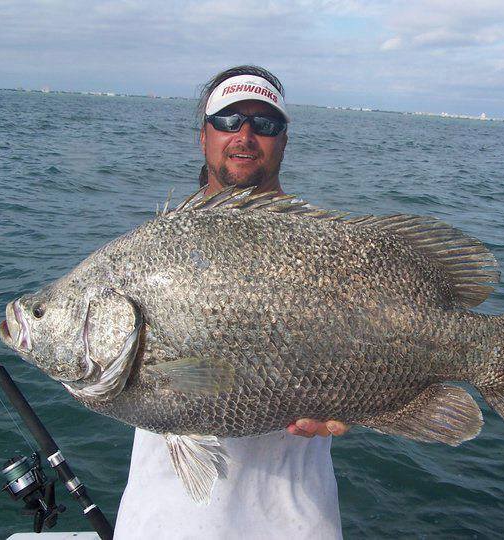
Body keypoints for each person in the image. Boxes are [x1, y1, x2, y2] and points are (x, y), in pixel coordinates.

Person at [114, 66, 348, 539]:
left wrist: (366, 402)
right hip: (165, 522)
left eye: (265, 124)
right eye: (228, 120)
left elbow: (375, 347)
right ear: (204, 135)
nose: (245, 135)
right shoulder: (155, 250)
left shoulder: (325, 247)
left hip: (296, 521)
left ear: (284, 140)